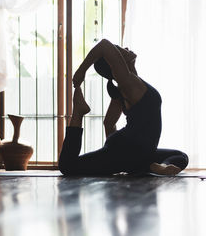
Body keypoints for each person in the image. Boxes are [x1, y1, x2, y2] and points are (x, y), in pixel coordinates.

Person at [59, 39, 188, 176]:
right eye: (119, 49)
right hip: (130, 149)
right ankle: (78, 113)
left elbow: (109, 123)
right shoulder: (127, 82)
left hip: (136, 151)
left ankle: (155, 166)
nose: (125, 48)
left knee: (180, 156)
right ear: (115, 64)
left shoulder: (127, 87)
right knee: (68, 166)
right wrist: (81, 71)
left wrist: (112, 156)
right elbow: (103, 45)